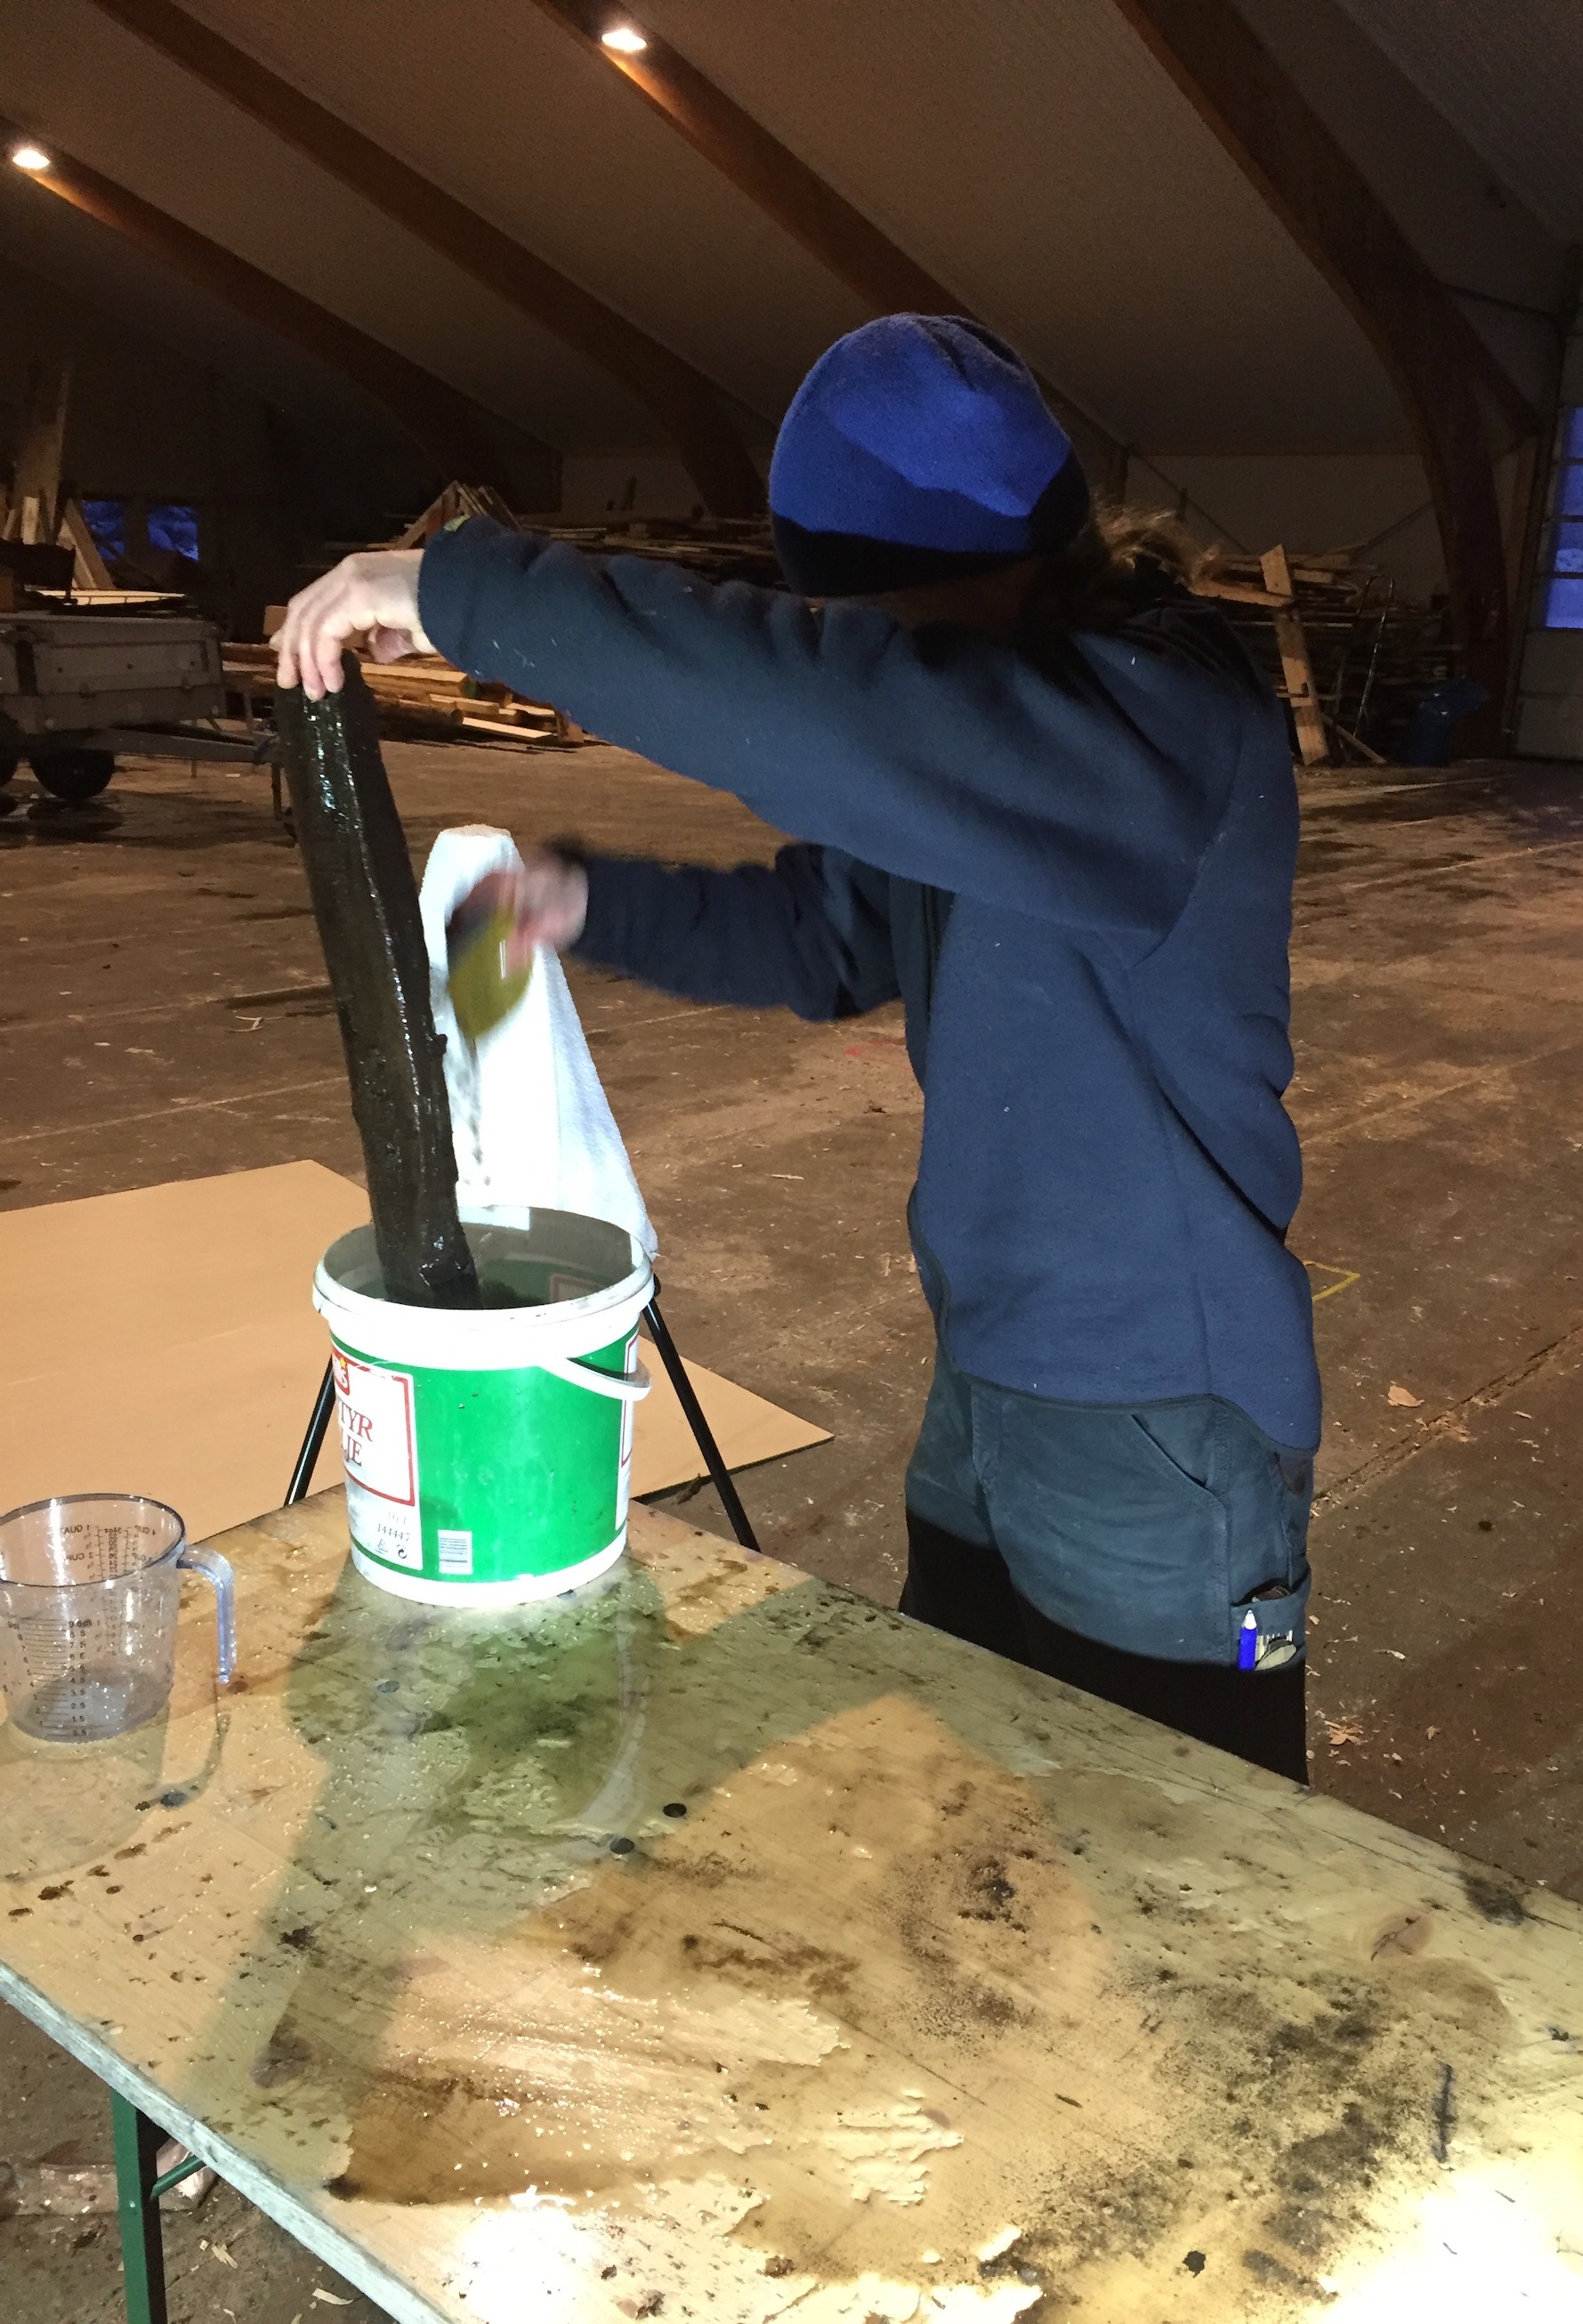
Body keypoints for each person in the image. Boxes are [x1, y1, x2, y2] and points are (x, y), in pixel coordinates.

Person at [276, 315, 1321, 1782]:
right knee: (970, 1784)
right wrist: (580, 902)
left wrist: (460, 590)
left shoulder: (1145, 725)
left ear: (952, 571)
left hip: (1157, 1410)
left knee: (1191, 1845)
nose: (859, 636)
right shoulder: (989, 729)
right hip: (995, 1371)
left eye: (864, 610)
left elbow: (818, 706)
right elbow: (830, 937)